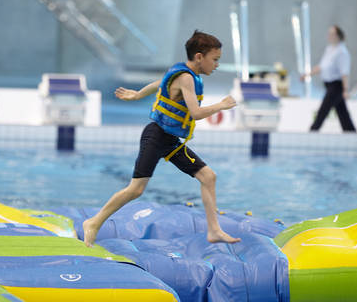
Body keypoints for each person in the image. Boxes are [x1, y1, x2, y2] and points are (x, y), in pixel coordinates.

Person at [83, 30, 241, 247]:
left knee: (208, 177)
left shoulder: (183, 73)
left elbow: (161, 82)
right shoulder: (186, 78)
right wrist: (221, 105)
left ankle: (214, 230)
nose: (217, 65)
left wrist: (138, 94)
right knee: (135, 189)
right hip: (156, 136)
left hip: (170, 140)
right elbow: (195, 113)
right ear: (199, 57)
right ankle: (93, 223)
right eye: (215, 60)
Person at [301, 25, 356, 132]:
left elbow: (344, 72)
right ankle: (351, 133)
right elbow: (321, 67)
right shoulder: (330, 49)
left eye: (332, 34)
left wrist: (345, 90)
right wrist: (307, 75)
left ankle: (313, 131)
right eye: (329, 34)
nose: (329, 36)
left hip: (336, 86)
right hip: (329, 85)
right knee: (342, 114)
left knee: (323, 110)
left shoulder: (342, 52)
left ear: (338, 36)